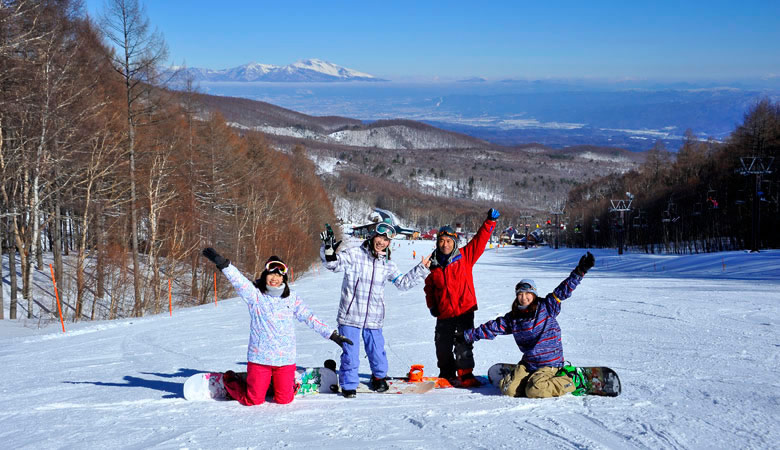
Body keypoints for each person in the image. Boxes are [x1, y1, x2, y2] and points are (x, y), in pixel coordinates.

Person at [202, 248, 352, 406]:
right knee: (253, 400)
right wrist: (224, 264)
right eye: (271, 274)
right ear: (265, 276)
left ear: (284, 278)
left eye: (279, 275)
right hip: (260, 358)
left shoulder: (291, 298)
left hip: (285, 358)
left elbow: (310, 317)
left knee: (285, 400)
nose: (274, 278)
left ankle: (277, 385)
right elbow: (238, 280)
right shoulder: (256, 296)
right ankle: (232, 379)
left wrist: (332, 335)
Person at [461, 252, 596, 398]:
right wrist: (467, 335)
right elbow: (492, 327)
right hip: (529, 363)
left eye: (528, 293)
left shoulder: (547, 307)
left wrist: (579, 272)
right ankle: (528, 381)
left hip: (549, 363)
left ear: (534, 294)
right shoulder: (513, 318)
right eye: (520, 294)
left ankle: (572, 379)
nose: (524, 297)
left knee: (535, 391)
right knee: (508, 389)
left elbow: (563, 290)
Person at [320, 222, 431, 398]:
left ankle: (379, 377)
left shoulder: (387, 264)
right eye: (380, 237)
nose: (382, 242)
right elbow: (333, 264)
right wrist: (328, 251)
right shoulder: (355, 255)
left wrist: (422, 268)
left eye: (386, 240)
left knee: (377, 351)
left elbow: (403, 284)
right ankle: (349, 383)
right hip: (350, 315)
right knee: (350, 352)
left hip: (374, 316)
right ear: (373, 236)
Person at [424, 208, 499, 387]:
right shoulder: (432, 265)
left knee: (464, 344)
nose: (445, 244)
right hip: (444, 313)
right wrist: (432, 305)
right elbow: (429, 289)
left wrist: (489, 222)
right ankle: (447, 374)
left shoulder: (465, 256)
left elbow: (480, 241)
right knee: (442, 346)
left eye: (448, 241)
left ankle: (466, 375)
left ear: (454, 242)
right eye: (441, 241)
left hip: (464, 310)